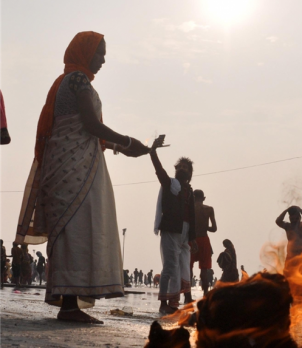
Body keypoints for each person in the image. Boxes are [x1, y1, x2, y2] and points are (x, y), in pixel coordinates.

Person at [15, 32, 150, 323]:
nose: (102, 60)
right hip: (70, 168)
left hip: (70, 165)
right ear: (84, 52)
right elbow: (90, 124)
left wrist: (120, 148)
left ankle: (70, 304)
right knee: (72, 230)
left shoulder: (73, 81)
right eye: (99, 53)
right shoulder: (77, 80)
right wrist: (126, 142)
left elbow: (87, 129)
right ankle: (69, 307)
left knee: (74, 232)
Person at [150, 133, 197, 313]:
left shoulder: (189, 192)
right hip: (170, 230)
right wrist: (153, 152)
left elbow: (191, 217)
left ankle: (175, 303)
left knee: (183, 267)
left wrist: (192, 239)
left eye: (186, 167)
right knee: (170, 267)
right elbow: (159, 169)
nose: (183, 169)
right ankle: (164, 304)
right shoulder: (170, 184)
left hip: (185, 233)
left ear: (190, 174)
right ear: (176, 169)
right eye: (180, 166)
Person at [189, 189, 217, 296]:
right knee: (204, 270)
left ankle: (188, 295)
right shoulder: (209, 209)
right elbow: (214, 228)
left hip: (191, 239)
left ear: (193, 198)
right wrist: (206, 227)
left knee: (189, 268)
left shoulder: (190, 209)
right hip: (204, 240)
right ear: (204, 198)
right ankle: (205, 295)